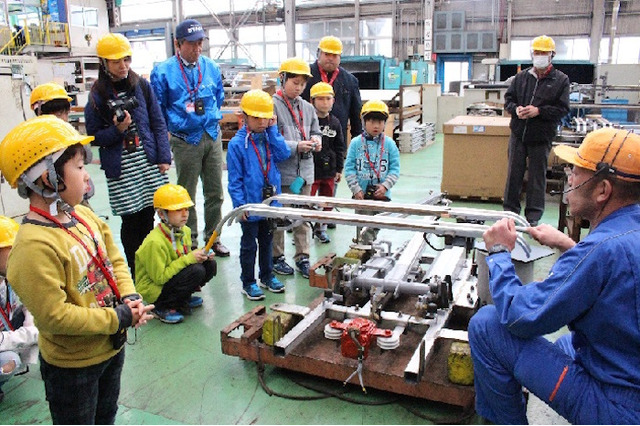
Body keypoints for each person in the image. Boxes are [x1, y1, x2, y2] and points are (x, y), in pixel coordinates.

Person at [469, 128, 640, 424]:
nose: (569, 180)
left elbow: (521, 317)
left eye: (576, 172)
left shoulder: (598, 252)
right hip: (625, 367)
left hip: (617, 408)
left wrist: (498, 252)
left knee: (487, 326)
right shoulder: (623, 236)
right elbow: (617, 270)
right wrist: (566, 244)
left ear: (603, 191)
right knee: (566, 344)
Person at [0, 115, 154, 424]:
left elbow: (114, 259)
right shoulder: (33, 247)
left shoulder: (84, 216)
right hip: (73, 368)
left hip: (110, 348)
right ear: (48, 178)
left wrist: (129, 295)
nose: (87, 177)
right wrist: (118, 317)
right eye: (79, 167)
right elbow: (55, 316)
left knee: (105, 416)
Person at [85, 33, 171, 278]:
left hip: (147, 163)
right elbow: (94, 136)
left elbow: (157, 120)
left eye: (126, 59)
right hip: (122, 170)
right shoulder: (97, 95)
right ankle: (137, 273)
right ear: (104, 63)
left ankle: (154, 270)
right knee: (131, 222)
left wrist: (164, 157)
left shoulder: (141, 85)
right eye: (116, 61)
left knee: (151, 216)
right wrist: (117, 130)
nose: (123, 66)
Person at [150, 19, 230, 257]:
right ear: (178, 43)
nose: (197, 49)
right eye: (192, 44)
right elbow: (158, 109)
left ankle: (213, 238)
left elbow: (218, 95)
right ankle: (191, 242)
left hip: (211, 134)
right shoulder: (163, 71)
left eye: (200, 44)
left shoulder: (211, 67)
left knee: (215, 192)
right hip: (185, 139)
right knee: (186, 194)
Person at [227, 90, 291, 300]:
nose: (261, 122)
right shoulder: (237, 145)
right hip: (250, 205)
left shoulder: (271, 138)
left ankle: (267, 276)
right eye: (256, 117)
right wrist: (240, 206)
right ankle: (248, 281)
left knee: (267, 242)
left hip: (270, 203)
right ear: (244, 117)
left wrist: (273, 131)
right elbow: (235, 180)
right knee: (249, 245)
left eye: (265, 117)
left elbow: (284, 154)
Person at [503, 35, 570, 226]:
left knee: (536, 177)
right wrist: (516, 110)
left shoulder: (561, 80)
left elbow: (562, 109)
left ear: (552, 55)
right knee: (513, 175)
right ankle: (510, 213)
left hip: (541, 136)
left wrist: (538, 111)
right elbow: (509, 99)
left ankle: (533, 217)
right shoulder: (521, 77)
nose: (539, 56)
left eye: (544, 53)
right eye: (537, 52)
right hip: (518, 134)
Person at [302, 36, 362, 229]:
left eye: (335, 55)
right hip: (307, 140)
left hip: (335, 137)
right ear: (318, 53)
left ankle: (326, 217)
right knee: (307, 183)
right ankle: (303, 221)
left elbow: (355, 113)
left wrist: (358, 142)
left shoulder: (349, 81)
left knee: (331, 179)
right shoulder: (305, 76)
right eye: (327, 54)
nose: (331, 58)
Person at [135, 184, 216, 324]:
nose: (185, 214)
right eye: (178, 210)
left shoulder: (185, 231)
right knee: (196, 270)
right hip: (154, 289)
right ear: (161, 214)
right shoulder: (154, 242)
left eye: (186, 209)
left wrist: (201, 255)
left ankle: (182, 298)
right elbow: (160, 278)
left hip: (170, 279)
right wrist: (190, 258)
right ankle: (161, 306)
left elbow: (183, 256)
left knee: (209, 265)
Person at [272, 57, 322, 279]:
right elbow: (271, 139)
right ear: (282, 79)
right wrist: (296, 146)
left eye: (303, 83)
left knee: (303, 217)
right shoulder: (272, 105)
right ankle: (277, 257)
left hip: (305, 171)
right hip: (283, 172)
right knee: (280, 217)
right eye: (295, 82)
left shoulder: (308, 108)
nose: (299, 87)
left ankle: (303, 256)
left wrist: (316, 140)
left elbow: (316, 131)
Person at [31, 82, 96, 208]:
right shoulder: (35, 142)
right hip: (51, 199)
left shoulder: (68, 133)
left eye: (65, 113)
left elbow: (87, 157)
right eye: (58, 113)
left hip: (77, 196)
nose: (63, 118)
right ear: (40, 112)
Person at [344, 100, 400, 245]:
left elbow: (395, 169)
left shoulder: (390, 144)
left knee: (378, 223)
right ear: (364, 122)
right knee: (362, 224)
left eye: (380, 122)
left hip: (382, 195)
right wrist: (355, 188)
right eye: (372, 121)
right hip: (362, 195)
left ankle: (367, 245)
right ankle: (364, 248)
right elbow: (349, 168)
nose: (376, 126)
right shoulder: (356, 143)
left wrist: (385, 186)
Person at [0, 216, 38, 405]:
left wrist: (31, 323)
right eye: (11, 250)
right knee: (9, 360)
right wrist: (28, 335)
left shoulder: (10, 277)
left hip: (5, 332)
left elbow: (31, 300)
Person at [308, 82, 344, 244]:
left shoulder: (335, 123)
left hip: (329, 171)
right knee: (307, 201)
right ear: (312, 101)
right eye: (320, 99)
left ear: (333, 101)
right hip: (311, 171)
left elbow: (339, 146)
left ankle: (320, 228)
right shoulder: (308, 122)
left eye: (328, 98)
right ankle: (303, 228)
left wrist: (339, 169)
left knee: (327, 201)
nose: (325, 102)